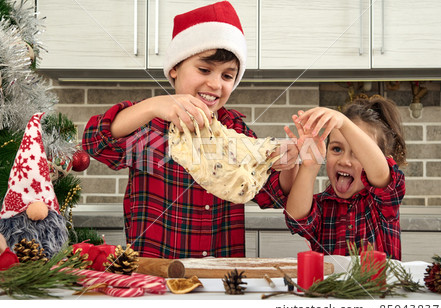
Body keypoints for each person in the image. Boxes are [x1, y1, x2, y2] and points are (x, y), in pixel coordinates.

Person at [82, 1, 298, 259]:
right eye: (204, 69)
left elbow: (271, 196)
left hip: (220, 279)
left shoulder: (234, 129)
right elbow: (95, 141)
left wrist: (290, 161)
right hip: (156, 275)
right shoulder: (150, 125)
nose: (215, 84)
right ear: (174, 68)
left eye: (227, 76)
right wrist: (152, 106)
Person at [284, 96, 406, 260]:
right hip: (331, 286)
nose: (344, 161)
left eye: (357, 152)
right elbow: (296, 219)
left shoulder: (384, 201)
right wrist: (310, 165)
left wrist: (343, 122)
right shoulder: (323, 205)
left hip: (378, 286)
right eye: (336, 149)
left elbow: (380, 172)